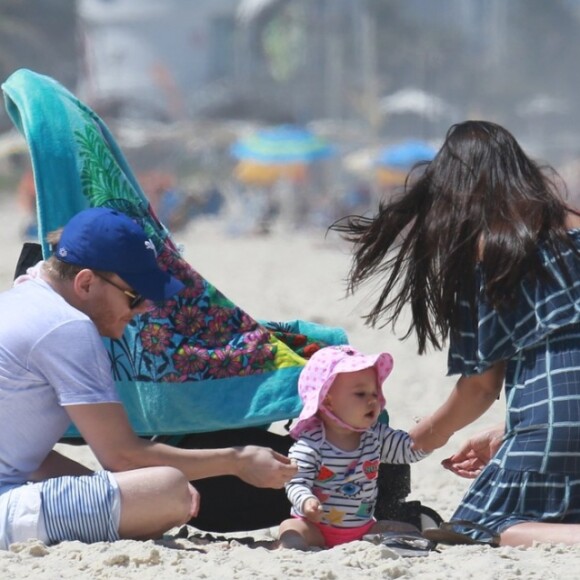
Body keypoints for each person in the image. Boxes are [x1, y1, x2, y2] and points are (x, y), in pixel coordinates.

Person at [332, 120, 580, 547]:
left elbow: (481, 387)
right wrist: (509, 433)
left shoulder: (491, 250)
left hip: (556, 424)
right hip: (555, 418)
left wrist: (422, 438)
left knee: (482, 526)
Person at [0, 207, 297, 550]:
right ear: (84, 282)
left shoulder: (23, 296)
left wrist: (112, 491)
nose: (144, 310)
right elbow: (122, 457)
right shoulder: (67, 326)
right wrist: (239, 460)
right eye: (135, 296)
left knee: (148, 489)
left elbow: (30, 457)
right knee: (168, 491)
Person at [278, 345, 427, 550]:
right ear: (328, 401)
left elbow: (406, 450)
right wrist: (306, 501)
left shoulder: (375, 435)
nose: (372, 400)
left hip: (363, 530)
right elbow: (295, 482)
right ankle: (289, 547)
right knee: (291, 528)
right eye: (360, 394)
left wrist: (428, 437)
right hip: (315, 527)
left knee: (406, 529)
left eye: (375, 392)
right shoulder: (310, 444)